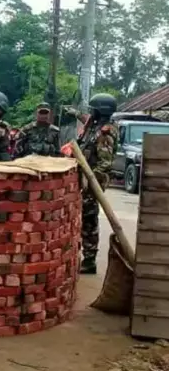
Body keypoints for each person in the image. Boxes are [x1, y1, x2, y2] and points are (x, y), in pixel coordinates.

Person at [77, 93, 119, 274]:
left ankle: (89, 259)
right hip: (87, 178)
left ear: (100, 111)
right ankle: (85, 256)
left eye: (94, 109)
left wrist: (91, 181)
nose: (91, 112)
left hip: (93, 181)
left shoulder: (105, 132)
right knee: (84, 217)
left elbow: (105, 162)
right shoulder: (95, 127)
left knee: (88, 219)